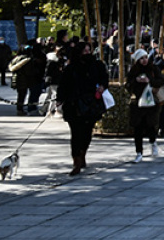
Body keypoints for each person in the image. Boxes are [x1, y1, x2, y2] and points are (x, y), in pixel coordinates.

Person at [57, 40, 108, 175]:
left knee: (87, 133)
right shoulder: (71, 68)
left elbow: (104, 78)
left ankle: (83, 153)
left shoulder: (97, 65)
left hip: (91, 104)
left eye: (88, 50)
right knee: (75, 133)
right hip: (73, 104)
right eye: (84, 51)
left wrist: (102, 86)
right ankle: (76, 160)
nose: (87, 53)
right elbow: (63, 85)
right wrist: (59, 99)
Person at [127, 48, 164, 162]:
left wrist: (150, 81)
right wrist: (136, 81)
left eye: (145, 57)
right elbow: (128, 85)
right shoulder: (133, 70)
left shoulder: (153, 68)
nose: (144, 60)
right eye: (141, 58)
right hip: (137, 103)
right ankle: (139, 152)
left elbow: (161, 81)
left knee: (150, 125)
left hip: (151, 102)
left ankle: (153, 143)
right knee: (137, 128)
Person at [11, 41, 47, 116]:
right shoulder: (27, 59)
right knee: (23, 95)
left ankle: (19, 109)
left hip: (17, 79)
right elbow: (29, 71)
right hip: (24, 79)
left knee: (20, 95)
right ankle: (22, 109)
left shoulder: (16, 58)